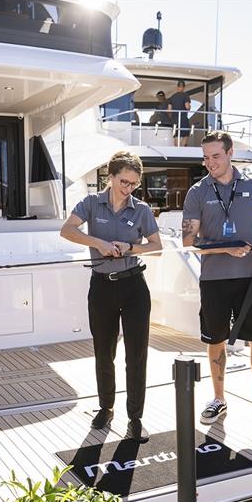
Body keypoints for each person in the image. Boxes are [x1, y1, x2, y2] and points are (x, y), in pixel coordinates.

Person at [182, 131, 252, 428]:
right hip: (214, 279)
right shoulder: (198, 192)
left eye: (215, 156)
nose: (209, 162)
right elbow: (189, 239)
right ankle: (218, 399)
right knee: (215, 342)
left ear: (230, 154)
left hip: (250, 278)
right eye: (205, 157)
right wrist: (224, 247)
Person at [60, 151, 162, 443]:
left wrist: (130, 247)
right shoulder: (92, 204)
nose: (127, 188)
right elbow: (67, 229)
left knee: (136, 356)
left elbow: (157, 246)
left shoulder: (141, 209)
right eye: (123, 181)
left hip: (134, 288)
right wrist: (99, 243)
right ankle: (106, 408)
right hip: (102, 287)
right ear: (110, 176)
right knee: (104, 353)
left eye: (133, 184)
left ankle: (135, 417)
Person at [168, 80, 191, 146]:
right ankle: (182, 149)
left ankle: (176, 149)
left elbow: (169, 110)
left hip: (174, 120)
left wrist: (171, 118)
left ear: (177, 87)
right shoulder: (185, 95)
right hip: (183, 119)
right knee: (185, 134)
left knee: (176, 135)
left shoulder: (172, 97)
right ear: (183, 87)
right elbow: (187, 107)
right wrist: (189, 107)